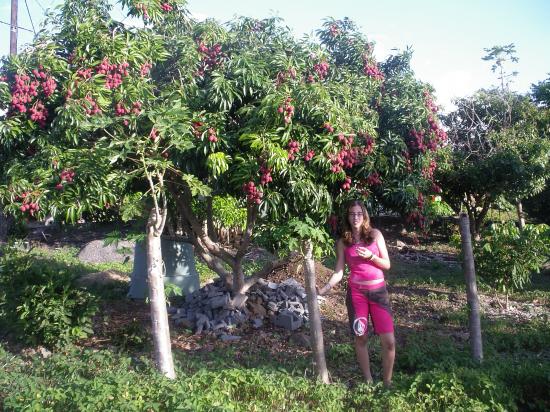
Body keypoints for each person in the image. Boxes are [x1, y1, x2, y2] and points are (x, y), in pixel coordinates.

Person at [318, 200, 395, 387]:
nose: (355, 217)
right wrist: (323, 289)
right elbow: (339, 272)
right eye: (352, 214)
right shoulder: (343, 242)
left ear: (365, 215)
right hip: (356, 295)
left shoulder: (375, 235)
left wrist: (372, 257)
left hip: (378, 293)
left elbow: (387, 265)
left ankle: (387, 381)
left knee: (389, 341)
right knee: (361, 337)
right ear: (348, 217)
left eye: (359, 213)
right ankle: (368, 380)